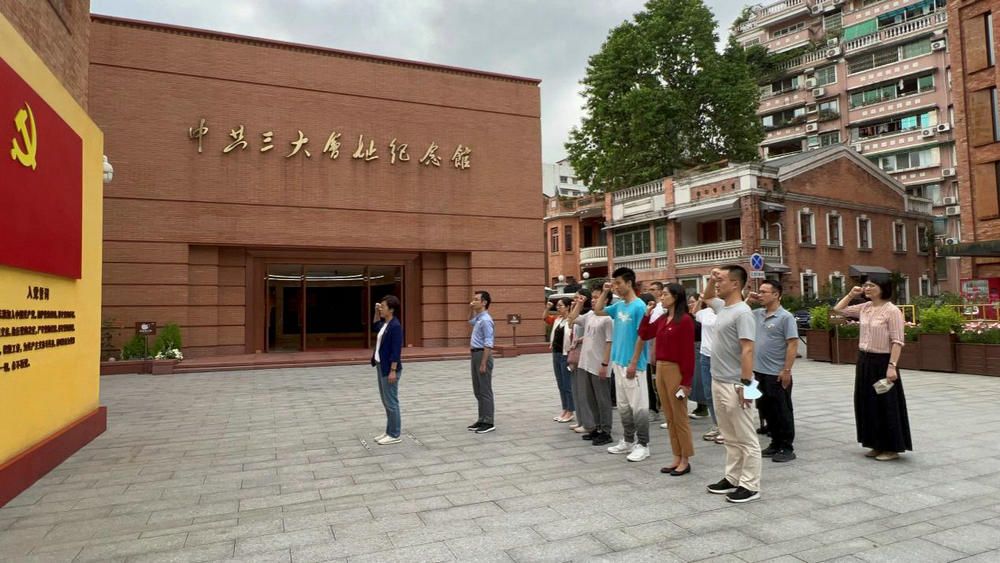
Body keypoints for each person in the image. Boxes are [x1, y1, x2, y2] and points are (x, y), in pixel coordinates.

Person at [833, 279, 912, 461]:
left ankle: (891, 448)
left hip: (883, 363)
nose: (867, 288)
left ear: (882, 288)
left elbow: (897, 341)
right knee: (867, 402)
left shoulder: (892, 311)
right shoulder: (865, 307)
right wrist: (850, 295)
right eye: (866, 285)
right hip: (865, 361)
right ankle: (876, 444)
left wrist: (892, 366)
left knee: (885, 403)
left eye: (871, 285)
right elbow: (837, 311)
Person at [702, 265, 761, 503]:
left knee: (746, 437)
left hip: (737, 383)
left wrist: (746, 385)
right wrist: (711, 278)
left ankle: (750, 485)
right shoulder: (723, 307)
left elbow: (748, 349)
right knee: (729, 435)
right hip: (719, 380)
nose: (718, 284)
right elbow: (707, 297)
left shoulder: (742, 312)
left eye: (722, 280)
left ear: (735, 284)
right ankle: (732, 478)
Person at [593, 267, 651, 462]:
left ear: (629, 283)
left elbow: (642, 336)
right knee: (624, 405)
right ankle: (627, 440)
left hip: (633, 365)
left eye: (618, 283)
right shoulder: (619, 306)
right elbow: (598, 310)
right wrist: (605, 292)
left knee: (639, 407)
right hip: (618, 363)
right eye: (614, 283)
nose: (615, 287)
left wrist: (634, 362)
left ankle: (643, 445)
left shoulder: (639, 306)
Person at [639, 283, 696, 476]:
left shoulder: (685, 320)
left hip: (675, 370)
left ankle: (685, 458)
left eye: (665, 294)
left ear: (676, 297)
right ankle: (676, 456)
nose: (661, 298)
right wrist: (646, 315)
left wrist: (686, 382)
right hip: (661, 368)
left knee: (679, 416)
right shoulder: (663, 319)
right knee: (669, 417)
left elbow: (688, 353)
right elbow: (644, 333)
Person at [746, 280, 799, 463]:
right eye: (759, 291)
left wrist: (786, 370)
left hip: (776, 372)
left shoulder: (785, 317)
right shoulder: (757, 314)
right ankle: (775, 443)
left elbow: (792, 344)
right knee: (766, 409)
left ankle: (786, 447)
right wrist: (748, 299)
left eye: (764, 292)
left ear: (776, 294)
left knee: (782, 410)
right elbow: (739, 315)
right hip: (759, 372)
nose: (760, 295)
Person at [567, 288, 613, 445]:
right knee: (590, 399)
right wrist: (579, 304)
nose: (593, 300)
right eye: (592, 297)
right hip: (585, 364)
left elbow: (609, 343)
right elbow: (571, 319)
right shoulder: (590, 315)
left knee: (602, 400)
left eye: (596, 297)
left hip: (599, 365)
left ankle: (606, 431)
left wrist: (604, 364)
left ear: (606, 300)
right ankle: (596, 429)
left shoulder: (608, 318)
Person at [371, 295, 403, 445]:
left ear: (391, 309)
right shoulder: (385, 324)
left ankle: (394, 434)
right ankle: (389, 431)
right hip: (381, 366)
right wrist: (376, 311)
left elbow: (396, 351)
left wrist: (393, 370)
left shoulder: (395, 326)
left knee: (391, 402)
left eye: (383, 307)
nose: (381, 309)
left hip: (389, 369)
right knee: (386, 401)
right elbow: (375, 325)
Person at [691, 295, 723, 444]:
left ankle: (727, 429)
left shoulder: (725, 311)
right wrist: (700, 299)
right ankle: (717, 425)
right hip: (705, 356)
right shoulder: (705, 312)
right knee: (709, 394)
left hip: (721, 357)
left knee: (723, 394)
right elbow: (694, 312)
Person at [467, 290, 496, 434]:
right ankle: (482, 418)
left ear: (484, 302)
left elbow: (488, 343)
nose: (473, 301)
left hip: (482, 355)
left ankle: (488, 421)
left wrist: (484, 363)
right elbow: (469, 321)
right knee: (478, 389)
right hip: (475, 355)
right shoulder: (479, 318)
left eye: (476, 299)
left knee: (485, 390)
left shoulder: (486, 320)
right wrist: (471, 309)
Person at [544, 297, 575, 423]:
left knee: (567, 384)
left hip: (566, 354)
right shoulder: (558, 319)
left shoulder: (572, 320)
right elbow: (545, 318)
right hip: (556, 353)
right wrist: (547, 308)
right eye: (557, 306)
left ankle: (570, 410)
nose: (558, 308)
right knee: (560, 383)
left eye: (561, 305)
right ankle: (565, 409)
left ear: (568, 307)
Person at [687, 294, 710, 420]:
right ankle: (699, 405)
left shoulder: (703, 316)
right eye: (689, 302)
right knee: (695, 379)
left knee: (699, 378)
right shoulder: (689, 316)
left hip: (700, 346)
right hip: (690, 347)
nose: (690, 304)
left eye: (693, 302)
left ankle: (703, 406)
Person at [646, 282, 664, 421]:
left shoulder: (661, 309)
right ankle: (654, 408)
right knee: (651, 381)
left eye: (653, 289)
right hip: (648, 348)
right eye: (649, 289)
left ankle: (662, 408)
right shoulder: (651, 307)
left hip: (658, 349)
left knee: (660, 381)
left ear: (660, 291)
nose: (650, 291)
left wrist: (654, 351)